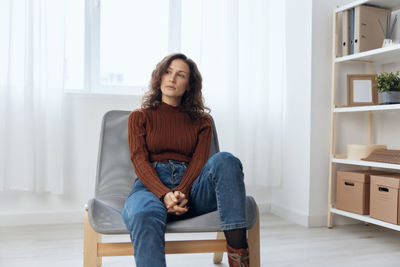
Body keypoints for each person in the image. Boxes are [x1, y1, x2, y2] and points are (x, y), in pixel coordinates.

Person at [121, 53, 249, 267]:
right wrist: (164, 194)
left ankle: (239, 261)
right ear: (159, 77)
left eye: (180, 75)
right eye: (168, 72)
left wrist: (181, 192)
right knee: (143, 212)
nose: (172, 79)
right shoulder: (140, 116)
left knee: (225, 160)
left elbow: (199, 162)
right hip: (151, 188)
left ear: (189, 85)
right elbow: (139, 161)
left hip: (192, 189)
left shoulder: (202, 122)